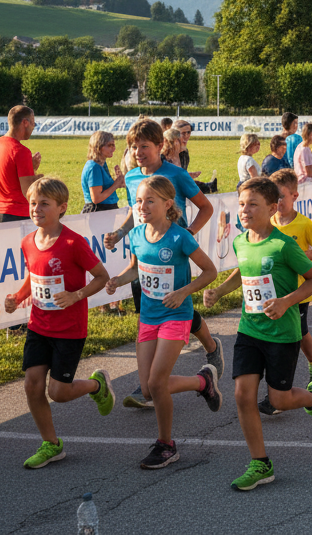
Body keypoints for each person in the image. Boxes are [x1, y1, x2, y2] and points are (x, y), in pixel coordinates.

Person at [202, 176, 312, 490]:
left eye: (253, 204)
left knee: (280, 398)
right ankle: (260, 463)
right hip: (249, 330)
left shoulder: (284, 245)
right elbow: (242, 272)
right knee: (243, 395)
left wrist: (287, 301)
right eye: (242, 204)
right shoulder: (242, 241)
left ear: (272, 208)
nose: (244, 210)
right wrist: (219, 291)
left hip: (282, 334)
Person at [102, 175, 221, 468]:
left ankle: (166, 445)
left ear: (168, 204)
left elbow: (209, 271)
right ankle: (202, 381)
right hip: (148, 316)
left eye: (149, 200)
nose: (142, 206)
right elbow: (136, 269)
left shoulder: (181, 236)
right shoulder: (137, 234)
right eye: (139, 200)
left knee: (157, 382)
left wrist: (183, 292)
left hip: (175, 315)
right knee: (146, 389)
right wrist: (119, 279)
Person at [104, 119, 220, 407]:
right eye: (133, 147)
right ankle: (151, 383)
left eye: (144, 146)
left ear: (160, 146)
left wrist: (187, 234)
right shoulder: (132, 177)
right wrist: (120, 233)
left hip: (175, 251)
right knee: (152, 308)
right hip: (145, 250)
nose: (138, 152)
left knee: (178, 308)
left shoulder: (176, 174)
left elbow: (206, 207)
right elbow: (136, 211)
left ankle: (208, 349)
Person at [2, 178, 114, 469]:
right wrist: (18, 296)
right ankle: (51, 444)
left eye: (44, 204)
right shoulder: (28, 241)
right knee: (32, 385)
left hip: (69, 329)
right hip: (39, 325)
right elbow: (33, 276)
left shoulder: (72, 243)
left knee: (59, 393)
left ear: (62, 208)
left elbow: (101, 277)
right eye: (33, 203)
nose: (36, 209)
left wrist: (77, 295)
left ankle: (96, 385)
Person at [256, 168, 312, 413]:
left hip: (298, 292)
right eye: (274, 198)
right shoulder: (269, 224)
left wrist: (301, 256)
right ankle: (279, 390)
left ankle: (310, 364)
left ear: (295, 196)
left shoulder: (304, 224)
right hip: (272, 294)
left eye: (282, 197)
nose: (278, 203)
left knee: (296, 336)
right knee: (277, 340)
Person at [0, 105, 42, 224]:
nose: (34, 127)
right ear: (25, 122)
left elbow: (9, 175)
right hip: (17, 215)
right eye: (33, 123)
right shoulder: (21, 151)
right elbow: (28, 190)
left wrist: (30, 167)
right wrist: (39, 178)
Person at [81, 130, 124, 212]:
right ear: (98, 147)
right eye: (110, 145)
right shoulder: (94, 168)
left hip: (105, 209)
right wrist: (116, 184)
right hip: (98, 211)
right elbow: (96, 198)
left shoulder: (102, 164)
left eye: (113, 145)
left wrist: (120, 182)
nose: (113, 149)